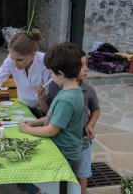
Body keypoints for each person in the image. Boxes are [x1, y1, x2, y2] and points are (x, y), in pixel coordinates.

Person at [18, 43, 84, 194]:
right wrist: (34, 122)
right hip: (60, 149)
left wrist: (27, 129)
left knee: (25, 178)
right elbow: (51, 117)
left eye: (51, 74)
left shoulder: (67, 98)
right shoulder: (69, 91)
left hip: (63, 153)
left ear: (60, 73)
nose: (51, 77)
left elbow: (52, 130)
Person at [37, 50, 100, 194]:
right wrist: (41, 99)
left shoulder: (87, 90)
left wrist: (90, 125)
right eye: (82, 65)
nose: (86, 69)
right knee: (66, 176)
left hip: (83, 139)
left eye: (86, 64)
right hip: (68, 139)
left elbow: (96, 109)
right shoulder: (54, 87)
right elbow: (51, 114)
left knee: (81, 173)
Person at [0, 29, 50, 118]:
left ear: (33, 54)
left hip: (44, 109)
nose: (14, 63)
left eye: (20, 59)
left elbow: (49, 94)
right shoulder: (10, 60)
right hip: (23, 107)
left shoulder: (45, 62)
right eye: (12, 58)